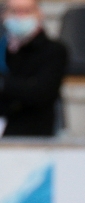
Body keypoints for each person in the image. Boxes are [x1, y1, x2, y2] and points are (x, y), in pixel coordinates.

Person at [0, 0, 67, 137]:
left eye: (27, 11)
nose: (20, 17)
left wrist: (4, 84)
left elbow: (40, 91)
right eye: (14, 11)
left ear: (39, 14)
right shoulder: (3, 50)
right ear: (4, 15)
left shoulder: (54, 51)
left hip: (35, 134)